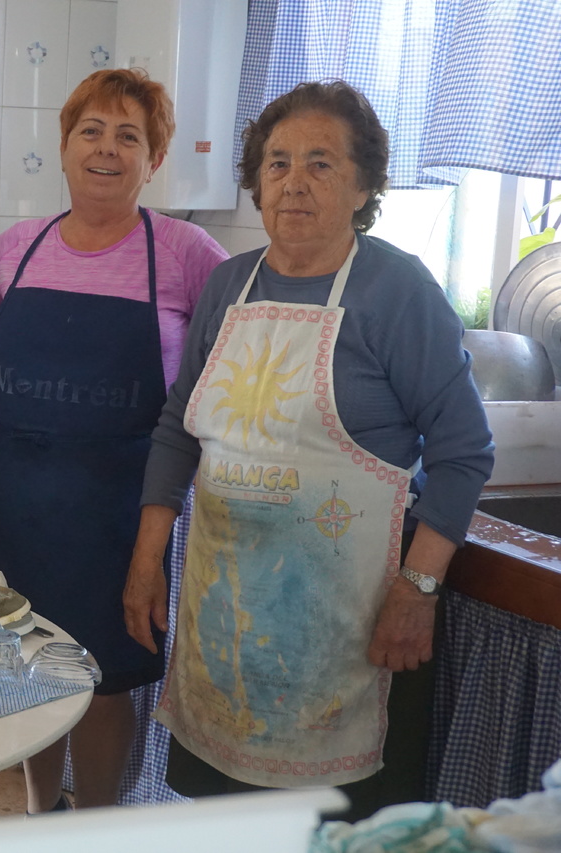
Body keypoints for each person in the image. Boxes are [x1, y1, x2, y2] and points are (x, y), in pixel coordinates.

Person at [123, 81, 494, 820]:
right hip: (225, 617)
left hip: (345, 629)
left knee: (329, 828)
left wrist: (417, 590)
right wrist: (146, 559)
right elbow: (177, 429)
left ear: (363, 187)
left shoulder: (397, 291)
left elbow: (464, 450)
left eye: (321, 163)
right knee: (222, 818)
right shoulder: (229, 284)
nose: (294, 181)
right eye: (278, 163)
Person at [0, 68, 228, 811]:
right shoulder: (11, 251)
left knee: (104, 681)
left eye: (129, 137)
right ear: (63, 146)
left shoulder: (186, 252)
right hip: (18, 507)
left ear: (154, 160)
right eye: (91, 131)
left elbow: (234, 364)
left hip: (125, 513)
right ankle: (40, 813)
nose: (107, 149)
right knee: (27, 672)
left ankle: (95, 825)